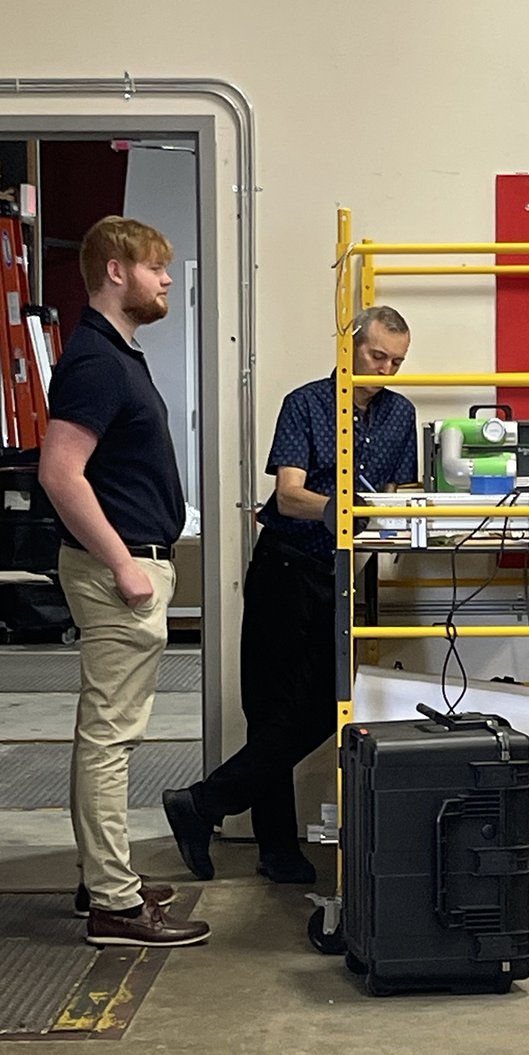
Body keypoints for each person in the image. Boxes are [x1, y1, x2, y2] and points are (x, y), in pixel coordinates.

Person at [163, 306, 418, 884]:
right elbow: (288, 496)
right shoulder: (307, 403)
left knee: (329, 707)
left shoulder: (401, 415)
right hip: (286, 566)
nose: (386, 370)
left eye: (397, 362)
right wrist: (345, 510)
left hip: (346, 574)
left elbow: (402, 494)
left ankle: (202, 804)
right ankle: (276, 849)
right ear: (350, 348)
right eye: (378, 356)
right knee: (272, 711)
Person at [39, 215, 209, 948]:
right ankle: (113, 902)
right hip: (120, 574)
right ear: (116, 270)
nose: (167, 279)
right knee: (108, 739)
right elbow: (59, 473)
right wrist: (122, 565)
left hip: (135, 566)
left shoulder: (117, 353)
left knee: (110, 736)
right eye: (156, 267)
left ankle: (103, 878)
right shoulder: (96, 362)